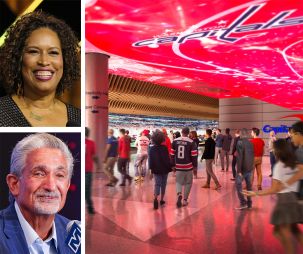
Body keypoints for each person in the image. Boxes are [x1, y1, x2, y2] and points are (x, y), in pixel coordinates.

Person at [0, 11, 80, 127]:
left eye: (53, 52)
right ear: (18, 58)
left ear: (65, 60)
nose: (44, 61)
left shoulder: (78, 119)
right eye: (33, 51)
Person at [0, 133, 77, 253]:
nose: (51, 186)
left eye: (59, 175)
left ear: (67, 186)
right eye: (39, 173)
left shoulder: (76, 233)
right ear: (14, 184)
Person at [243, 139, 303, 254]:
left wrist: (255, 193)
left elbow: (274, 189)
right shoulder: (294, 164)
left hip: (284, 202)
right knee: (293, 230)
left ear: (278, 151)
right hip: (293, 200)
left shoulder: (279, 166)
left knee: (283, 234)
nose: (273, 151)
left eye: (274, 149)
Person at [171, 127, 198, 207]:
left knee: (178, 182)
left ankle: (179, 194)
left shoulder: (175, 141)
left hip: (178, 166)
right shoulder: (192, 142)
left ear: (181, 132)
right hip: (188, 166)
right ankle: (185, 200)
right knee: (188, 183)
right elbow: (194, 156)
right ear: (188, 133)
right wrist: (195, 167)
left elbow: (172, 154)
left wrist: (172, 165)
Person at [149, 130, 172, 210]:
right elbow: (167, 159)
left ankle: (155, 198)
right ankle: (162, 200)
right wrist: (170, 167)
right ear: (162, 139)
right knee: (163, 184)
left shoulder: (151, 149)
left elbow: (151, 161)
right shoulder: (164, 148)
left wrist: (151, 171)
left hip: (156, 169)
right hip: (165, 169)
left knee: (157, 184)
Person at [235, 128, 254, 210]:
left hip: (242, 169)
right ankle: (249, 203)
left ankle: (243, 202)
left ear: (241, 134)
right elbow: (252, 156)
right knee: (249, 186)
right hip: (249, 168)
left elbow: (240, 157)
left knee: (238, 184)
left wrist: (239, 170)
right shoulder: (250, 143)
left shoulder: (240, 142)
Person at [86, 127, 100, 214]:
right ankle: (90, 208)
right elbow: (94, 156)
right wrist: (98, 165)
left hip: (79, 169)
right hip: (88, 170)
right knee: (87, 189)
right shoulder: (91, 143)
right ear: (88, 134)